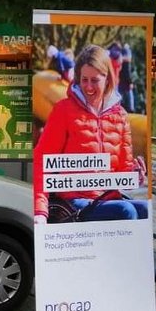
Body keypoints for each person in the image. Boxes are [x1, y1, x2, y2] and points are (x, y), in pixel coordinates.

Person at [33, 44, 147, 223]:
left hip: (108, 198)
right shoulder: (63, 111)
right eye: (84, 80)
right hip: (75, 200)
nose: (89, 87)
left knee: (145, 209)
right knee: (126, 211)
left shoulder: (120, 115)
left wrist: (134, 175)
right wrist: (40, 210)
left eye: (95, 80)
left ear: (107, 79)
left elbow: (123, 169)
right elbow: (41, 158)